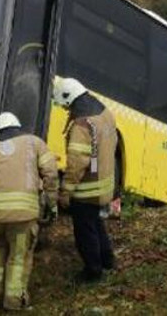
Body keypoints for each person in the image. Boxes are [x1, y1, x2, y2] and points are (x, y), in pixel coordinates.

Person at [0, 112, 58, 311]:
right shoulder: (35, 143)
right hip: (24, 215)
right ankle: (13, 301)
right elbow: (51, 173)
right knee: (19, 256)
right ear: (17, 126)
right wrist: (51, 203)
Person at [53, 77, 117, 283]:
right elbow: (99, 151)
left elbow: (77, 164)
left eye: (65, 105)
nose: (66, 109)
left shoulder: (82, 125)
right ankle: (108, 261)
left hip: (87, 190)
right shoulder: (104, 113)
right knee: (96, 222)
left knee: (84, 230)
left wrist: (65, 192)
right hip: (104, 183)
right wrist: (96, 166)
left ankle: (93, 271)